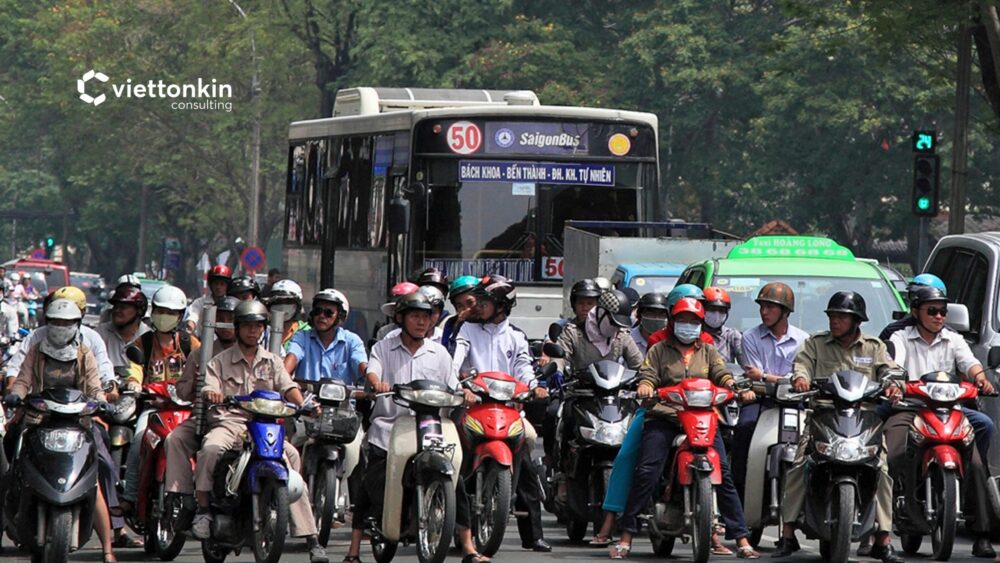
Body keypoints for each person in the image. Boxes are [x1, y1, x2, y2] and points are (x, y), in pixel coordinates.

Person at [162, 300, 328, 562]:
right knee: (211, 448)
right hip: (230, 422)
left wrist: (305, 404)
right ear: (238, 328)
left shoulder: (273, 361)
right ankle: (203, 509)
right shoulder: (218, 361)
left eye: (258, 326)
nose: (253, 331)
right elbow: (208, 387)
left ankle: (311, 538)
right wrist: (213, 393)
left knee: (293, 456)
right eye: (248, 326)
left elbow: (288, 387)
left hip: (264, 425)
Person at [342, 291, 488, 563]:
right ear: (401, 318)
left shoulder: (440, 353)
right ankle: (353, 550)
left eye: (427, 316)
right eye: (415, 316)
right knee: (372, 480)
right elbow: (373, 370)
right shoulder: (384, 347)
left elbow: (453, 385)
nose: (422, 322)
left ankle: (468, 545)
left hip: (431, 427)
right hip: (390, 428)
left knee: (454, 481)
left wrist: (465, 394)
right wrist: (377, 383)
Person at [611, 297, 760, 559]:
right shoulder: (658, 349)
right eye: (682, 320)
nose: (687, 326)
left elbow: (722, 374)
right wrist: (646, 387)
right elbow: (648, 375)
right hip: (665, 416)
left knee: (723, 473)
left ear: (700, 325)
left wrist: (735, 388)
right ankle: (626, 536)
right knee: (647, 470)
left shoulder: (708, 350)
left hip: (702, 418)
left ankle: (742, 538)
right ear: (672, 321)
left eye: (693, 321)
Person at [773, 291, 904, 563]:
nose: (835, 320)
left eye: (841, 316)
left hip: (864, 418)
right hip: (823, 414)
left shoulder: (874, 346)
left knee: (882, 468)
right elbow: (802, 365)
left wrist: (893, 384)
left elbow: (889, 370)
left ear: (856, 320)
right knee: (798, 464)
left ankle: (883, 539)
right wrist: (800, 379)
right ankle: (787, 533)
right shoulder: (816, 344)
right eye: (832, 315)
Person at [4, 298, 118, 562]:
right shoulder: (36, 350)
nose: (60, 327)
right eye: (55, 321)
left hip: (79, 423)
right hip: (39, 419)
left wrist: (101, 402)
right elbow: (23, 380)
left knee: (95, 478)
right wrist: (15, 394)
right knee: (12, 454)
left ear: (77, 325)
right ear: (47, 322)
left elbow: (94, 385)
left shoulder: (84, 353)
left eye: (66, 323)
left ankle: (108, 549)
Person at [886, 286, 996, 557]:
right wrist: (896, 383)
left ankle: (981, 533)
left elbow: (970, 363)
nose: (939, 316)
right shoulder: (901, 337)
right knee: (893, 451)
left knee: (978, 457)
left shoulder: (953, 338)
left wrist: (981, 379)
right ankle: (879, 526)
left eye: (943, 311)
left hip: (950, 409)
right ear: (916, 312)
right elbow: (895, 365)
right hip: (911, 408)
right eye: (932, 311)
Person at [451, 274, 551, 553]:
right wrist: (459, 384)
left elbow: (524, 368)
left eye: (485, 302)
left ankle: (533, 534)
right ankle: (455, 523)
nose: (478, 307)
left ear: (502, 306)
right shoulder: (468, 331)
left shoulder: (516, 336)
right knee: (454, 456)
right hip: (471, 405)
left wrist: (534, 387)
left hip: (507, 410)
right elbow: (456, 359)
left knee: (527, 458)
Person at [118, 285, 199, 514]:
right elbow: (134, 369)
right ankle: (130, 496)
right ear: (152, 312)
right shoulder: (141, 343)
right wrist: (134, 384)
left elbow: (204, 367)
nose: (165, 317)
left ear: (181, 316)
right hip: (154, 409)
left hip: (185, 410)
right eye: (161, 310)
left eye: (171, 313)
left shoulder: (190, 344)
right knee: (138, 440)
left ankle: (204, 500)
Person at [731, 282, 808, 500]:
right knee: (744, 428)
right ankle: (739, 493)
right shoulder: (750, 337)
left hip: (794, 402)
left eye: (770, 307)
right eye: (762, 307)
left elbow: (798, 380)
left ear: (785, 311)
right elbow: (756, 378)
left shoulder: (803, 341)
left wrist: (765, 376)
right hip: (761, 399)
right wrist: (774, 380)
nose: (764, 312)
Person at [285, 289, 367, 384]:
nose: (321, 316)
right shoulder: (302, 336)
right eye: (317, 311)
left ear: (340, 317)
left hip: (342, 398)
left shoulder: (352, 340)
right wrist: (284, 376)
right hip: (304, 397)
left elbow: (360, 363)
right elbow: (292, 356)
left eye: (328, 313)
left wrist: (370, 377)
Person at [879, 273, 948, 344]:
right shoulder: (892, 332)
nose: (915, 302)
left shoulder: (950, 338)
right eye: (912, 296)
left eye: (932, 310)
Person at [264, 279, 311, 354]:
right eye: (278, 302)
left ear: (297, 306)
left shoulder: (307, 332)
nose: (283, 306)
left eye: (288, 302)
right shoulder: (264, 331)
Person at [700, 287, 744, 364]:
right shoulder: (695, 334)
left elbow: (746, 362)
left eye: (721, 310)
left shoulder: (732, 335)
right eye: (712, 309)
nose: (716, 315)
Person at [185, 264, 232, 333]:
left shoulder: (232, 305)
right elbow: (193, 316)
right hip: (202, 341)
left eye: (222, 284)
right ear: (210, 284)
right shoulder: (200, 302)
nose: (218, 287)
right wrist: (190, 326)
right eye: (216, 283)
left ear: (227, 286)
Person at [440, 275, 480, 354]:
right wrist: (457, 327)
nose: (467, 309)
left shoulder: (492, 322)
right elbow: (447, 353)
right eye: (460, 306)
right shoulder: (452, 324)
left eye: (470, 303)